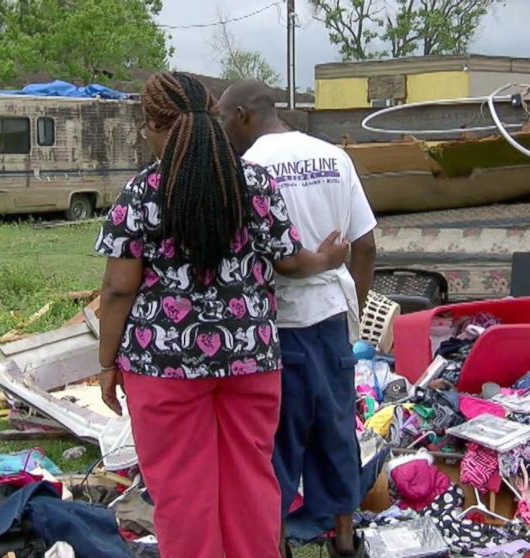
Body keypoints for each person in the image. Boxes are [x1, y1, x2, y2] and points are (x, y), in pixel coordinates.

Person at [94, 72, 349, 558]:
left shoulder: (142, 192)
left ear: (154, 124)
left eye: (146, 127)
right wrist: (327, 259)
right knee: (251, 484)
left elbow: (118, 288)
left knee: (183, 493)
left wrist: (107, 364)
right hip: (250, 359)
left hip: (163, 366)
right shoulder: (254, 183)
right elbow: (290, 261)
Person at [219, 80, 379, 558]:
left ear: (244, 114)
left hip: (272, 325)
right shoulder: (334, 157)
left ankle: (275, 542)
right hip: (330, 318)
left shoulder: (246, 170)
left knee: (274, 443)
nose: (222, 129)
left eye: (225, 117)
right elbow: (365, 245)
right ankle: (345, 540)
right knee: (335, 431)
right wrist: (355, 313)